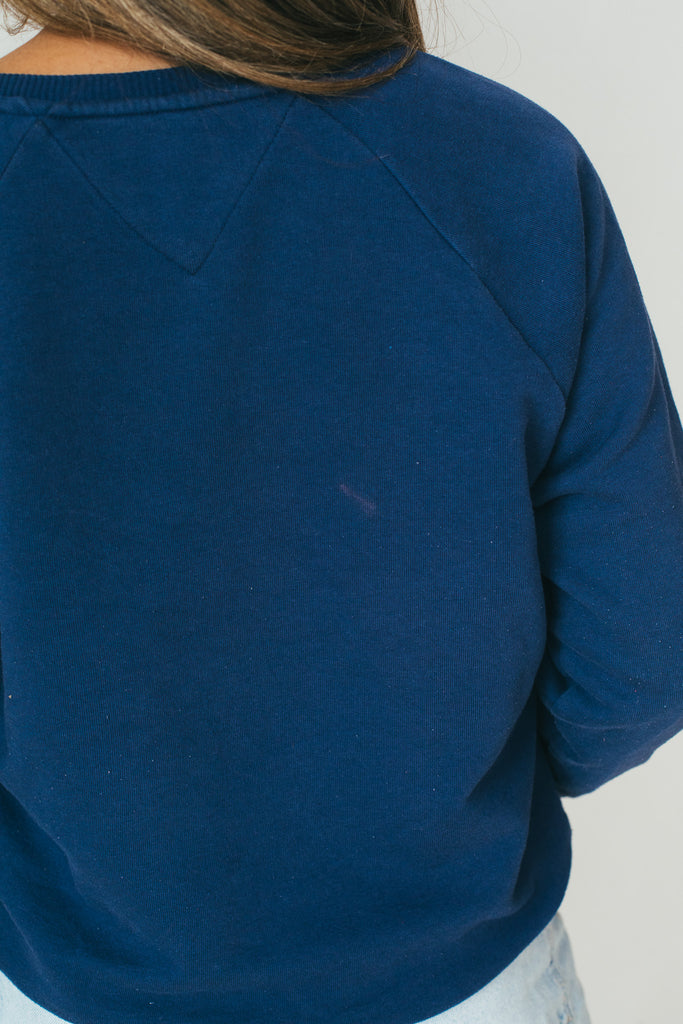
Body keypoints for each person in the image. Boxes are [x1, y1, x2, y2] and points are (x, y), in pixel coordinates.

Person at [0, 5, 680, 1023]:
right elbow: (640, 658)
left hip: (69, 985)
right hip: (466, 983)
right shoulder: (506, 164)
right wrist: (442, 804)